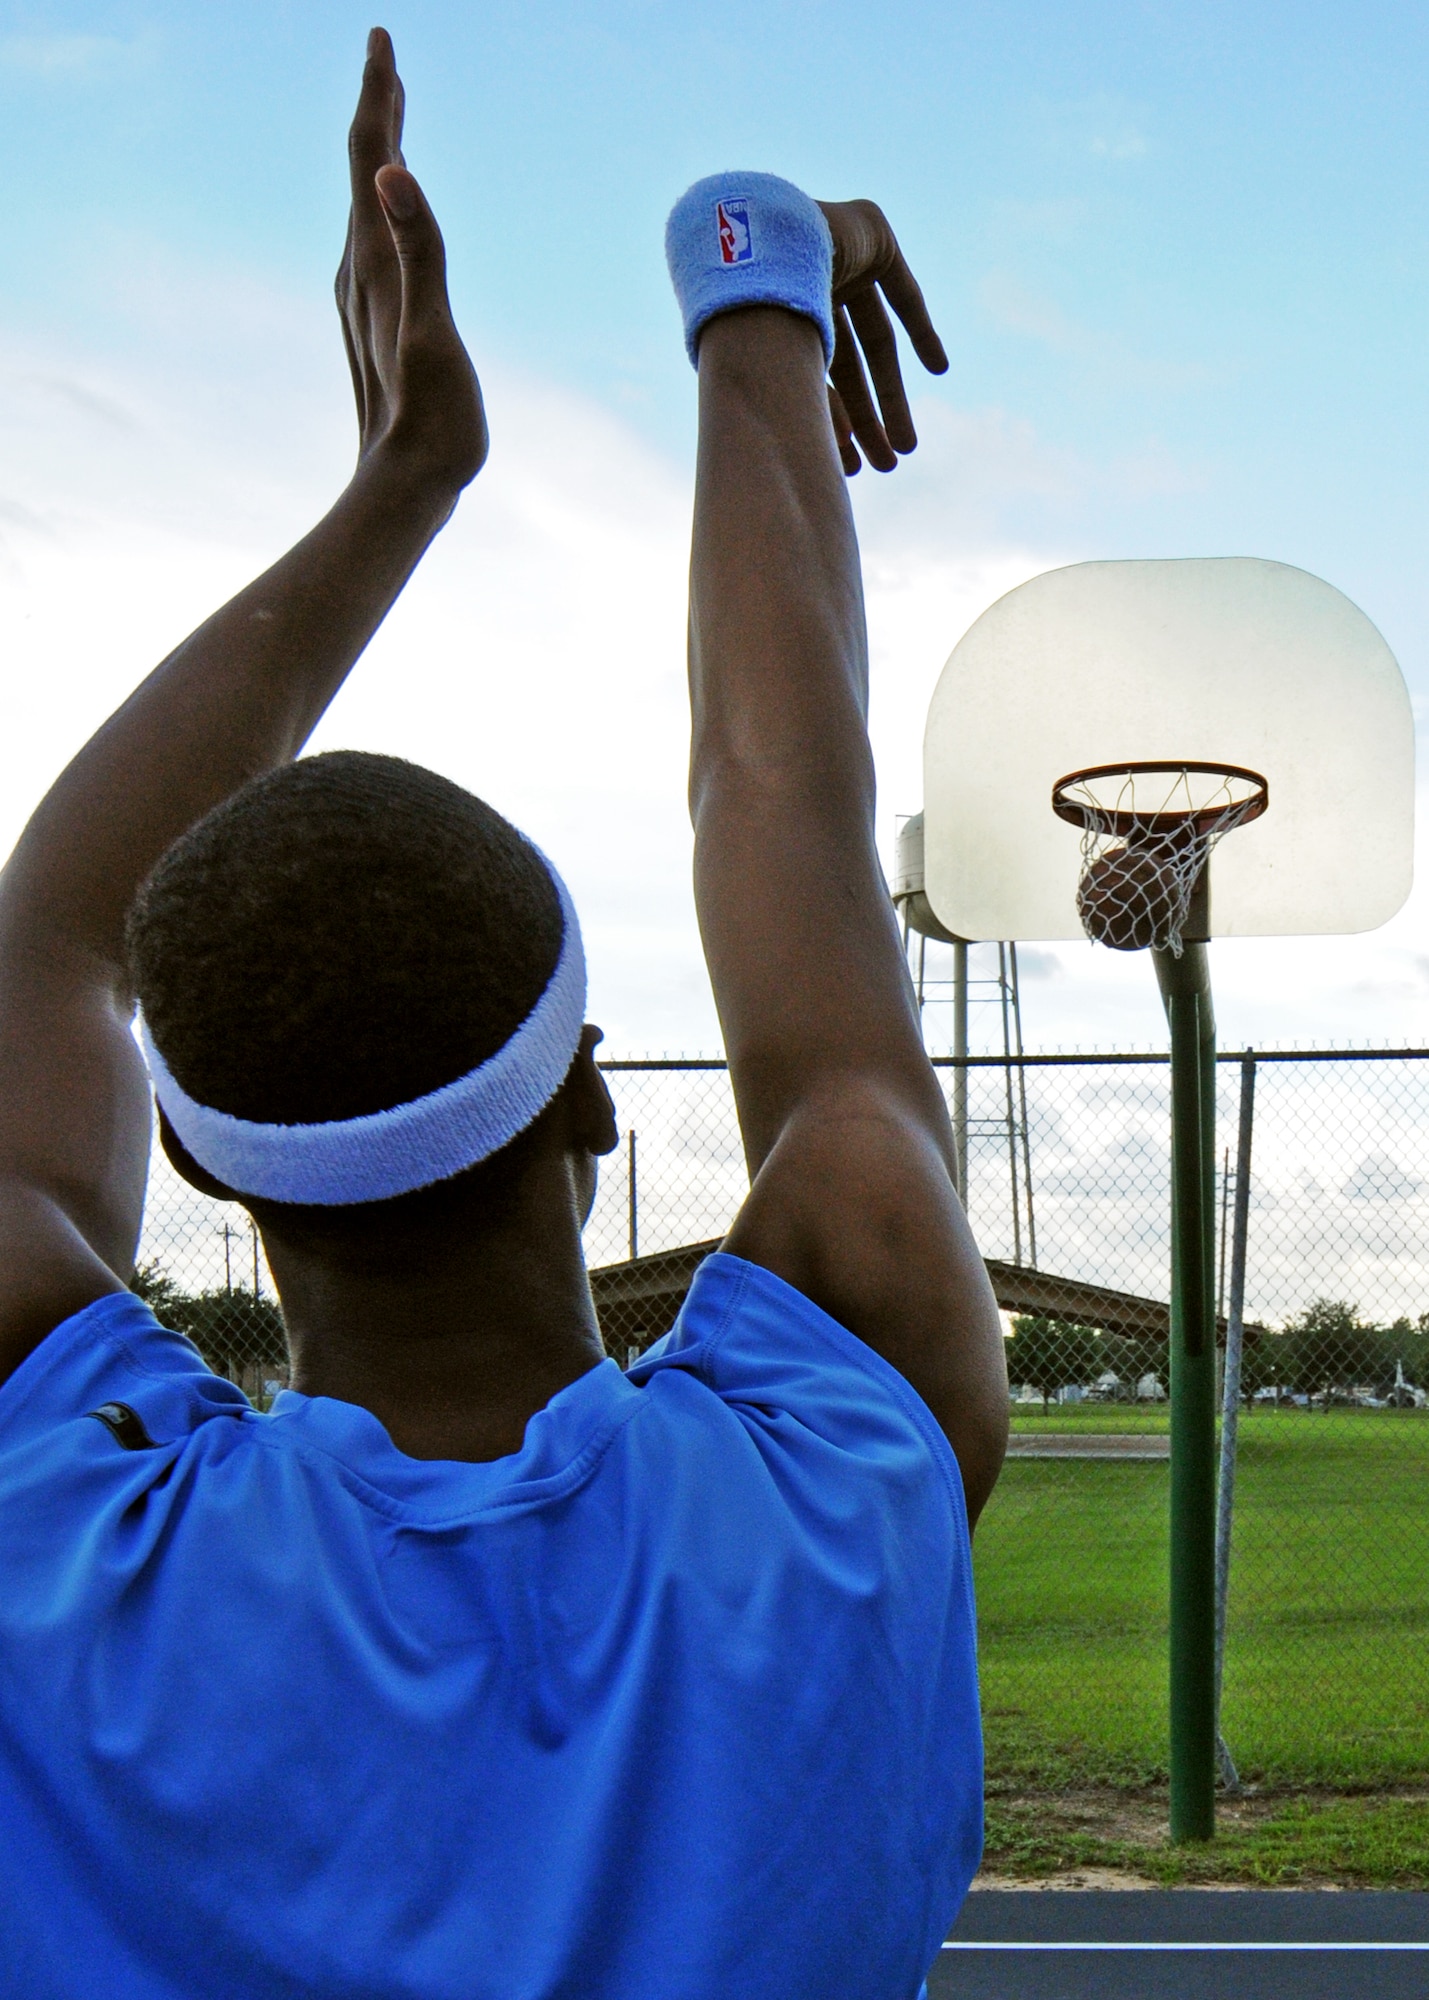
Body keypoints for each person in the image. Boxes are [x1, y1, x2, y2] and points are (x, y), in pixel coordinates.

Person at [0, 28, 1007, 2000]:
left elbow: (44, 949)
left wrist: (402, 481)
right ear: (591, 1107)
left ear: (198, 1154)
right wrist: (752, 294)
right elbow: (778, 796)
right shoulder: (839, 1473)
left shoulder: (61, 1550)